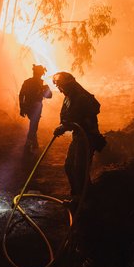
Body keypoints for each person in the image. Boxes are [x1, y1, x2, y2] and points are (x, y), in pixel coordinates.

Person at [52, 72, 106, 205]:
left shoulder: (81, 97)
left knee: (80, 168)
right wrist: (63, 125)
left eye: (60, 86)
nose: (59, 90)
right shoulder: (69, 97)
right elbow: (66, 117)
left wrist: (63, 127)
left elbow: (74, 117)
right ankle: (78, 196)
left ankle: (85, 200)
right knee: (69, 166)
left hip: (87, 137)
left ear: (67, 84)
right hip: (78, 136)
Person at [19, 64, 52, 152]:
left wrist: (22, 107)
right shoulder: (39, 84)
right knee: (34, 125)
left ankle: (34, 143)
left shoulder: (29, 82)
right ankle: (28, 143)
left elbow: (21, 95)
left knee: (33, 124)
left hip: (29, 107)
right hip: (35, 106)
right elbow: (22, 94)